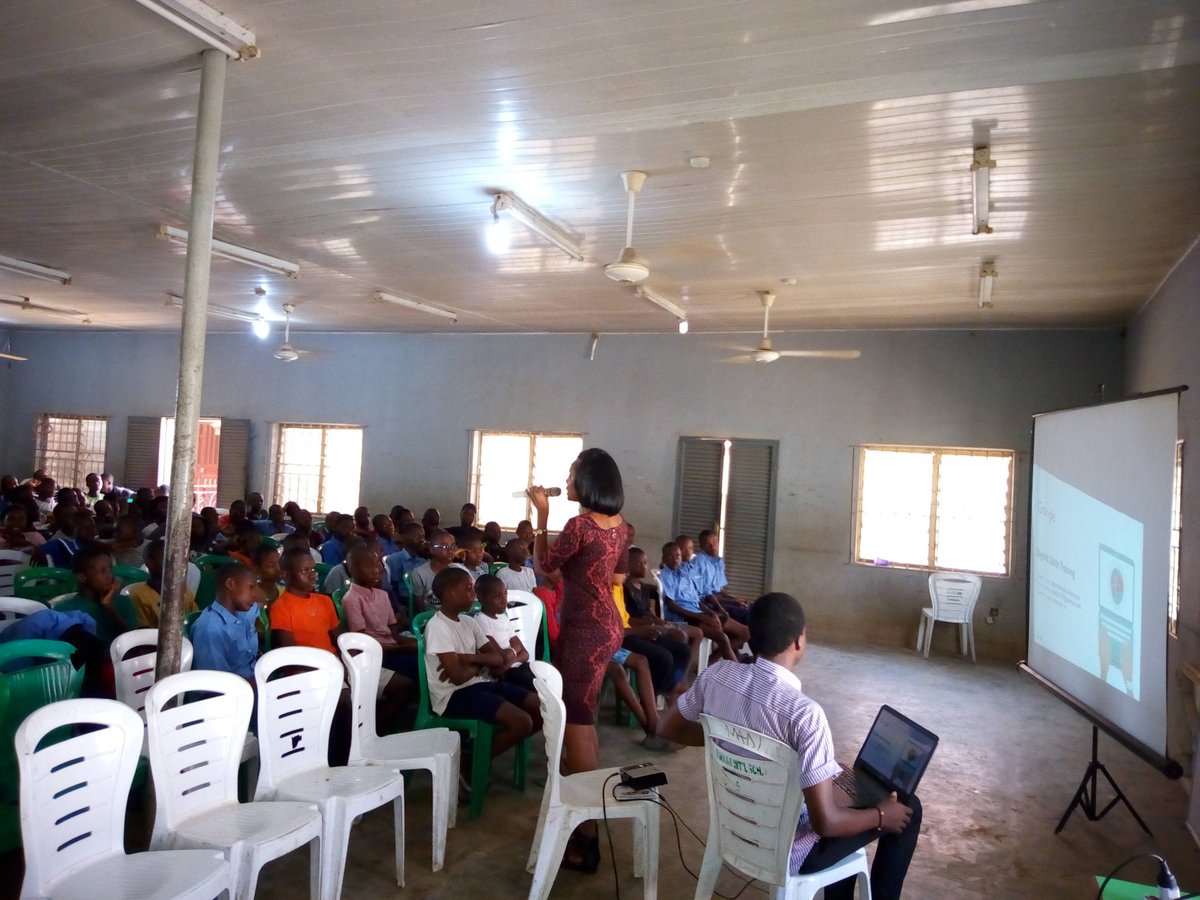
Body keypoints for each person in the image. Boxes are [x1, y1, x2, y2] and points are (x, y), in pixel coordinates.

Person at [658, 592, 922, 900]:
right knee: (907, 807)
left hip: (735, 829)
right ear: (799, 642)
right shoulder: (804, 715)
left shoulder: (718, 676)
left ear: (750, 636)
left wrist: (730, 740)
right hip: (790, 851)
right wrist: (881, 817)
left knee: (844, 785)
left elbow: (667, 727)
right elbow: (826, 824)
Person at [528, 446, 631, 873]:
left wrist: (542, 517)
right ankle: (581, 814)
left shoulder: (579, 526)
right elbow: (620, 577)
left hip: (585, 631)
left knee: (578, 721)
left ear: (588, 482)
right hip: (608, 624)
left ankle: (587, 838)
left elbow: (543, 563)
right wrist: (586, 574)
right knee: (582, 716)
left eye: (571, 475)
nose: (567, 481)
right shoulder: (621, 526)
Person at [423, 567, 540, 766]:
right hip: (453, 695)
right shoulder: (437, 627)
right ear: (451, 593)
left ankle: (481, 752)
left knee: (541, 706)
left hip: (481, 683)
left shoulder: (469, 622)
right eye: (468, 589)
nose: (474, 594)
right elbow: (458, 678)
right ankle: (470, 765)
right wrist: (481, 661)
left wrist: (468, 658)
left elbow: (497, 658)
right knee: (522, 721)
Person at [342, 544, 417, 726]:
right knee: (417, 670)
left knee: (426, 658)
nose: (377, 570)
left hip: (390, 648)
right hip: (374, 654)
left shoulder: (382, 595)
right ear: (353, 569)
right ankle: (375, 726)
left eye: (378, 564)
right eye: (370, 566)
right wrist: (404, 647)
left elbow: (393, 633)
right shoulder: (351, 599)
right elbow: (363, 643)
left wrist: (415, 644)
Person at [624, 545, 703, 678]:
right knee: (679, 636)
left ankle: (680, 676)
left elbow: (647, 610)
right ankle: (673, 679)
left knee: (696, 633)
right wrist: (655, 622)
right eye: (639, 563)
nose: (644, 566)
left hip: (652, 622)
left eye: (645, 562)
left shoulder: (643, 587)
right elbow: (628, 617)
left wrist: (659, 620)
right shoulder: (625, 588)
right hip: (640, 627)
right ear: (628, 565)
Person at [660, 541, 744, 659]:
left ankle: (710, 663)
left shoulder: (684, 573)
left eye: (677, 556)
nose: (675, 559)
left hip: (698, 612)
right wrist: (702, 617)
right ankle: (734, 673)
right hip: (684, 617)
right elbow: (671, 605)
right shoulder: (665, 575)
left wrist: (712, 614)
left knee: (745, 632)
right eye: (670, 556)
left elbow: (697, 600)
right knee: (722, 638)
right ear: (663, 558)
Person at [56, 544, 138, 649]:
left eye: (110, 569)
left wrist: (109, 607)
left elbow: (133, 643)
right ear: (82, 578)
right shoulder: (65, 610)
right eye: (103, 571)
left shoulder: (123, 602)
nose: (110, 576)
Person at [191, 564, 260, 681]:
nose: (255, 594)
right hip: (235, 692)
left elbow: (260, 603)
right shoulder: (210, 629)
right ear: (230, 584)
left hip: (255, 677)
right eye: (251, 587)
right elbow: (216, 684)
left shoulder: (245, 612)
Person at [269, 546, 340, 653]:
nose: (313, 575)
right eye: (305, 571)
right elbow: (290, 654)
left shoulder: (325, 601)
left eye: (313, 569)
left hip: (332, 661)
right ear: (286, 575)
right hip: (306, 666)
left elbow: (338, 641)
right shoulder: (281, 608)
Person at [473, 574, 535, 691]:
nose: (504, 600)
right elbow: (499, 662)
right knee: (534, 690)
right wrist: (515, 652)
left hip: (515, 667)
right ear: (481, 598)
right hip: (505, 676)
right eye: (497, 596)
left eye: (505, 594)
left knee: (544, 682)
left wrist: (510, 658)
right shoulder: (481, 621)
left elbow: (526, 654)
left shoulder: (503, 618)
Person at [127, 537, 198, 627]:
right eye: (166, 559)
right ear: (149, 563)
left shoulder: (184, 592)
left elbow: (194, 622)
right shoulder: (137, 595)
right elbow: (143, 632)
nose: (173, 564)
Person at [686, 530, 751, 623]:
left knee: (751, 606)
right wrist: (732, 602)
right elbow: (707, 595)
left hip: (717, 600)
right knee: (746, 614)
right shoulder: (700, 561)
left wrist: (735, 599)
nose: (713, 547)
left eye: (715, 543)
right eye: (708, 545)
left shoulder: (719, 561)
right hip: (707, 603)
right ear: (701, 546)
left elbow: (719, 591)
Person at [409, 528, 467, 611]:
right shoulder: (419, 573)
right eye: (444, 546)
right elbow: (420, 606)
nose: (450, 550)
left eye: (453, 546)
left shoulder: (458, 569)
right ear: (432, 549)